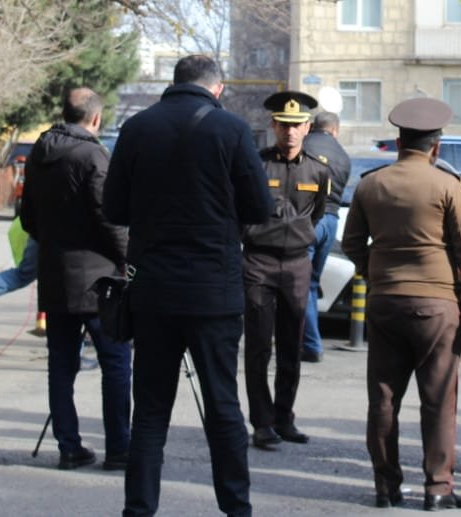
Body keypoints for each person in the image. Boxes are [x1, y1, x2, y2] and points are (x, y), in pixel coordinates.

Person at [103, 55, 272, 517]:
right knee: (223, 406)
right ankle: (236, 507)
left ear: (173, 85)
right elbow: (260, 207)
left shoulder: (137, 128)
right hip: (213, 291)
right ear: (216, 89)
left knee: (151, 411)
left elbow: (114, 208)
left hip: (153, 291)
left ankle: (138, 509)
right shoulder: (232, 130)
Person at [342, 97, 461, 512]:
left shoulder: (372, 183)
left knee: (384, 398)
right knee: (438, 398)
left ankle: (385, 487)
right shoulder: (448, 184)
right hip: (437, 306)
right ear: (436, 146)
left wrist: (379, 271)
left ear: (398, 140)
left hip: (385, 301)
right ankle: (438, 488)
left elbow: (352, 242)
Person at [21, 88, 131, 471]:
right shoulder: (94, 155)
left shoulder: (38, 153)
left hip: (55, 272)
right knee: (116, 361)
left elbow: (27, 217)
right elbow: (109, 218)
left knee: (61, 364)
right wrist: (127, 258)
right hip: (100, 278)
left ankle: (69, 446)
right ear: (96, 118)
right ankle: (118, 448)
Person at [240, 90, 329, 450]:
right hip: (258, 262)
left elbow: (317, 213)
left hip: (296, 264)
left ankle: (284, 418)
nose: (290, 132)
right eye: (284, 125)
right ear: (273, 125)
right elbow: (240, 209)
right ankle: (261, 423)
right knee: (259, 346)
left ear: (307, 127)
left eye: (297, 125)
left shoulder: (318, 169)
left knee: (291, 346)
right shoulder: (256, 165)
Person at [300, 110, 350, 364]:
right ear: (335, 130)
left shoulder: (303, 145)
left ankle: (310, 343)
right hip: (331, 220)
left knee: (301, 284)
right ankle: (308, 339)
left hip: (309, 219)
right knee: (311, 283)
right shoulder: (342, 153)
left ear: (311, 127)